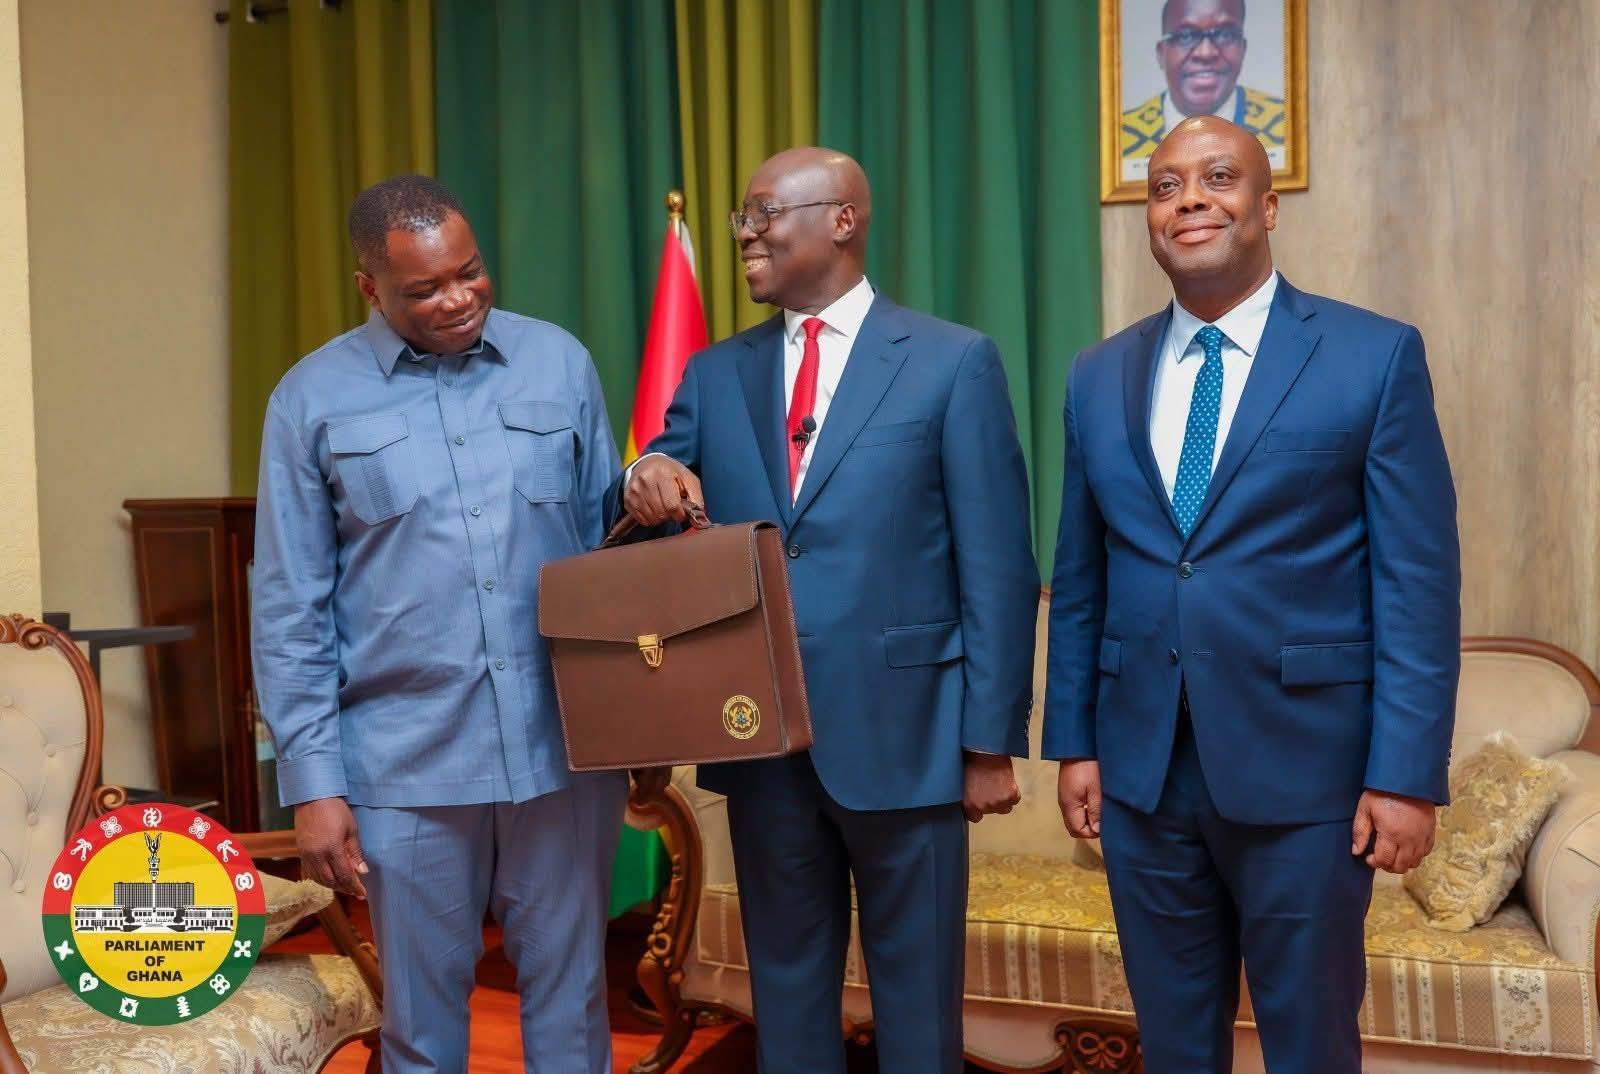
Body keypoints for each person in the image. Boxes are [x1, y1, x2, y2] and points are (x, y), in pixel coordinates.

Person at [1047, 117, 1459, 1074]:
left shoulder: (1372, 355)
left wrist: (1404, 775)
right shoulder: (1096, 375)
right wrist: (1076, 742)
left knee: (1309, 1044)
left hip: (1309, 779)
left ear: (1267, 207)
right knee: (1175, 1047)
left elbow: (1417, 584)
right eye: (1165, 186)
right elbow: (1080, 578)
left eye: (1218, 178)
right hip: (1143, 775)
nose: (1189, 199)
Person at [615, 147, 1038, 1074]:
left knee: (919, 1012)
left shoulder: (952, 362)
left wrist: (988, 743)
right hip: (761, 740)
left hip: (910, 739)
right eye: (742, 218)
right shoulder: (717, 373)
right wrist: (643, 470)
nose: (746, 234)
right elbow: (657, 479)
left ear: (843, 219)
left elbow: (998, 566)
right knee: (788, 1000)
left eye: (763, 213)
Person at [251, 174, 634, 1073]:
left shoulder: (559, 363)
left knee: (576, 1012)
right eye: (425, 288)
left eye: (470, 272)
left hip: (562, 755)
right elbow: (291, 605)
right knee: (420, 1032)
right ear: (370, 288)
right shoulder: (309, 399)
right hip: (404, 769)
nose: (459, 298)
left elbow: (608, 555)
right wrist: (314, 785)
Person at [1121, 0, 1286, 162]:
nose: (1205, 53)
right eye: (1185, 36)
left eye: (1225, 35)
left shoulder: (1284, 123)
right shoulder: (1121, 135)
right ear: (1161, 53)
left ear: (1243, 49)